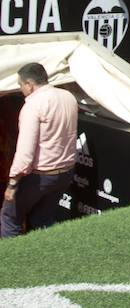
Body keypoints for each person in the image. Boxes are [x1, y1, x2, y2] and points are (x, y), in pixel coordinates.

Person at [1, 63, 77, 238]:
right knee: (43, 219)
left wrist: (12, 183)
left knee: (10, 218)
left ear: (29, 84)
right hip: (65, 173)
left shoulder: (32, 106)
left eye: (20, 85)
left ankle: (12, 262)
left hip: (39, 176)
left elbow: (25, 151)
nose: (20, 90)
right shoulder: (68, 97)